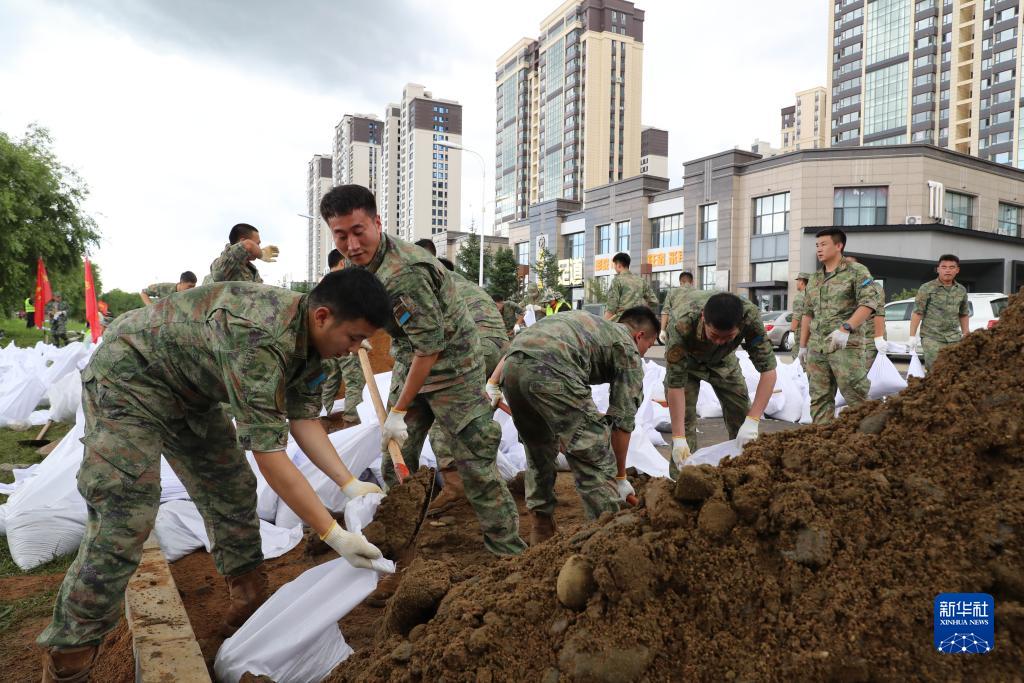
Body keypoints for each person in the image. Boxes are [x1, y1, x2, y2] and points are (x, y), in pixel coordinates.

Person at [37, 269, 390, 682]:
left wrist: (348, 483)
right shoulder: (260, 335)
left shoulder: (316, 348)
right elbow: (270, 455)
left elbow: (303, 420)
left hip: (192, 390)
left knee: (233, 490)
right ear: (323, 316)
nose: (354, 350)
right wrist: (332, 533)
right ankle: (69, 659)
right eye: (352, 338)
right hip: (130, 377)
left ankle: (249, 603)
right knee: (125, 515)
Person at [321, 184, 526, 557]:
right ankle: (398, 550)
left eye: (358, 231)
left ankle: (509, 553)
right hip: (409, 356)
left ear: (377, 223)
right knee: (394, 459)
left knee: (475, 460)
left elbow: (430, 347)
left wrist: (399, 410)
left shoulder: (406, 273)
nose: (351, 245)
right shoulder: (359, 263)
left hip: (453, 365)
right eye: (340, 235)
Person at [489, 307, 659, 544]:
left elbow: (526, 342)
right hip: (553, 368)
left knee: (539, 450)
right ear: (640, 336)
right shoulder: (627, 348)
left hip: (513, 367)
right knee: (595, 455)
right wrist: (619, 476)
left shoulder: (586, 322)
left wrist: (493, 381)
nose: (643, 354)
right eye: (649, 346)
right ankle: (608, 539)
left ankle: (541, 527)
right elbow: (622, 421)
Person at [427, 258, 511, 515]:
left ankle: (453, 486)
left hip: (474, 349)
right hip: (502, 351)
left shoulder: (437, 287)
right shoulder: (471, 286)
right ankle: (488, 482)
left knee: (442, 416)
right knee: (476, 420)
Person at [664, 291, 777, 478]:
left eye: (727, 337)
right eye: (714, 335)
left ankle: (745, 479)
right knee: (683, 426)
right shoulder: (681, 323)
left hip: (724, 361)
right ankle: (683, 482)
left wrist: (753, 420)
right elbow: (675, 384)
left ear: (739, 325)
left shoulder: (749, 316)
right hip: (688, 363)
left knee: (742, 417)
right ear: (703, 318)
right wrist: (678, 438)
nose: (719, 341)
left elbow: (768, 370)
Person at [798, 228, 883, 424]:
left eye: (824, 244)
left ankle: (870, 439)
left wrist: (846, 328)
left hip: (845, 345)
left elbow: (869, 303)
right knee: (819, 397)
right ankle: (822, 440)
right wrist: (803, 345)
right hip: (817, 347)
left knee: (855, 393)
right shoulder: (815, 278)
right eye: (817, 245)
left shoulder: (856, 271)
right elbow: (808, 313)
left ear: (839, 246)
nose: (819, 249)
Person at [320, 250, 366, 428]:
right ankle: (351, 423)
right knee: (354, 381)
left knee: (330, 380)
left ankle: (321, 420)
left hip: (327, 344)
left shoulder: (324, 283)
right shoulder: (343, 283)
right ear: (341, 262)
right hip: (344, 341)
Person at [908, 254, 970, 370]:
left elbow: (963, 313)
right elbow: (918, 312)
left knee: (955, 369)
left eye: (951, 267)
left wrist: (966, 333)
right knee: (936, 369)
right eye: (944, 267)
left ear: (957, 270)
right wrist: (912, 336)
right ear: (938, 269)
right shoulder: (927, 288)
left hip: (953, 338)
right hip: (932, 337)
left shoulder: (961, 290)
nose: (947, 270)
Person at [845, 257, 888, 367]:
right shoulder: (842, 287)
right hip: (848, 337)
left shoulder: (872, 286)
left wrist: (878, 338)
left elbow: (878, 313)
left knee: (864, 373)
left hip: (868, 338)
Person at [205, 223, 279, 284]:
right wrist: (262, 253)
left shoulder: (251, 270)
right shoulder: (225, 262)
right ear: (242, 241)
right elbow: (248, 245)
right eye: (257, 244)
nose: (259, 247)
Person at [603, 252, 658, 321]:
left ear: (619, 265)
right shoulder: (641, 281)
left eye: (615, 265)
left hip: (623, 321)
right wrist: (640, 308)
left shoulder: (617, 281)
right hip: (640, 320)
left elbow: (611, 307)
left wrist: (604, 323)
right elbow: (654, 301)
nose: (614, 268)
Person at [659, 271, 695, 344]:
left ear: (680, 282)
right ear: (692, 282)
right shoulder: (698, 293)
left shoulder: (672, 293)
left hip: (675, 332)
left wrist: (662, 330)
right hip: (693, 331)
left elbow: (666, 311)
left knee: (673, 354)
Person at [788, 273, 809, 359]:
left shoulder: (800, 297)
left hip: (801, 334)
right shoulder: (813, 294)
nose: (797, 283)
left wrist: (792, 332)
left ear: (802, 282)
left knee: (798, 360)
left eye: (798, 281)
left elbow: (796, 316)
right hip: (812, 333)